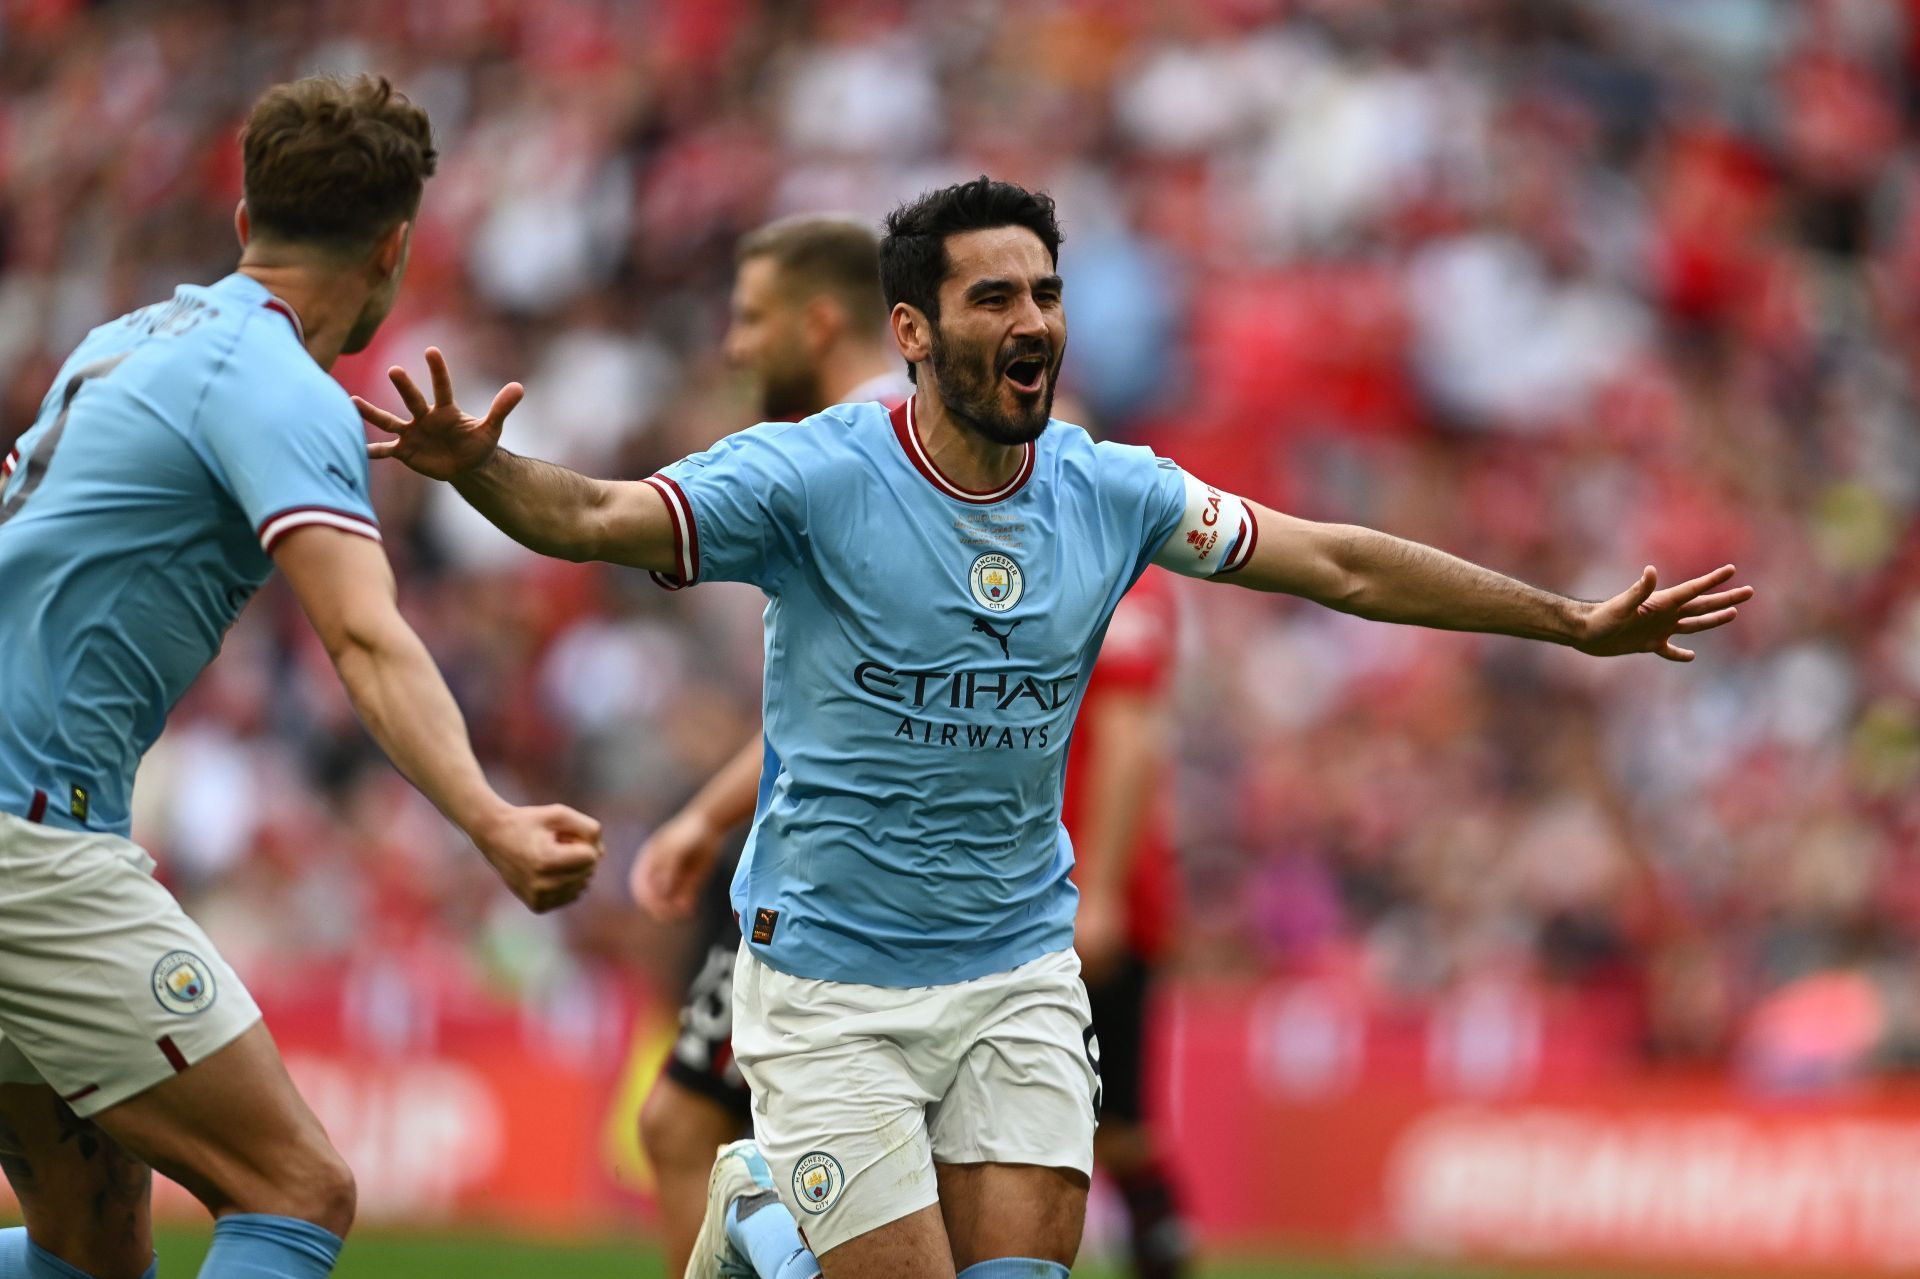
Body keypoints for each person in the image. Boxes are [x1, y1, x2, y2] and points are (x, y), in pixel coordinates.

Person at [359, 176, 1751, 1279]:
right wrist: (484, 474)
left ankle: (774, 1231)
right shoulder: (809, 476)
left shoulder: (1111, 489)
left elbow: (1335, 563)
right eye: (992, 297)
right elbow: (598, 517)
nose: (1032, 321)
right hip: (831, 983)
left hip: (1019, 970)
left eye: (1045, 292)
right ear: (912, 329)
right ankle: (766, 1224)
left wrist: (1565, 618)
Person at [0, 75, 604, 1279]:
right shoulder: (282, 388)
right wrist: (490, 819)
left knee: (94, 1248)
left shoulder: (121, 341)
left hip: (34, 827)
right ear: (394, 251)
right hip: (32, 840)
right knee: (296, 1189)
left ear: (243, 223)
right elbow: (365, 638)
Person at [626, 214, 909, 1277]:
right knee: (682, 1124)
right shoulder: (911, 440)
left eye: (751, 319)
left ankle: (766, 1231)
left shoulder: (858, 452)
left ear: (820, 318)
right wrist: (709, 812)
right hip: (844, 871)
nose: (735, 346)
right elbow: (842, 710)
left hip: (865, 885)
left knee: (705, 1137)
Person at [1062, 566, 1191, 1279]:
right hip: (1042, 885)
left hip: (1081, 894)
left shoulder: (1122, 578)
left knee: (1120, 1129)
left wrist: (1101, 890)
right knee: (1116, 1129)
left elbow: (1129, 738)